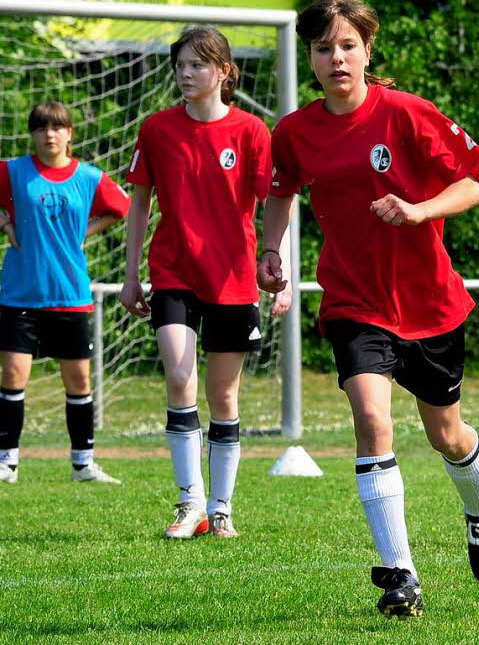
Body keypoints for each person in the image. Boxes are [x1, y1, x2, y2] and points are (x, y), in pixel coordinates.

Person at [258, 0, 479, 618]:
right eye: (323, 48)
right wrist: (270, 249)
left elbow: (472, 183)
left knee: (446, 435)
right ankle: (400, 574)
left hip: (429, 303)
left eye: (347, 45)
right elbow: (282, 190)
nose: (336, 57)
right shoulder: (295, 131)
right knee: (371, 419)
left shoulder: (408, 114)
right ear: (310, 58)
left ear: (368, 50)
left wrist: (420, 210)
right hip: (352, 300)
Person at [120, 26, 291, 539]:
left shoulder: (252, 132)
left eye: (197, 64)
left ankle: (221, 508)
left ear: (224, 71)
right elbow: (139, 204)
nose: (186, 74)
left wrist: (281, 268)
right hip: (173, 270)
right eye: (180, 66)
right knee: (178, 377)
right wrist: (130, 274)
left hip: (233, 277)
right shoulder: (157, 129)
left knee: (224, 397)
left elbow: (279, 202)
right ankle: (189, 502)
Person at [0, 101, 130, 485]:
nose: (49, 134)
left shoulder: (89, 177)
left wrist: (84, 234)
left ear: (70, 133)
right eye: (41, 128)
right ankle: (7, 462)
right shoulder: (13, 171)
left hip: (70, 294)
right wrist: (5, 220)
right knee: (12, 375)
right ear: (33, 135)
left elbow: (122, 208)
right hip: (19, 294)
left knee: (78, 382)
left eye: (57, 127)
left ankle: (82, 464)